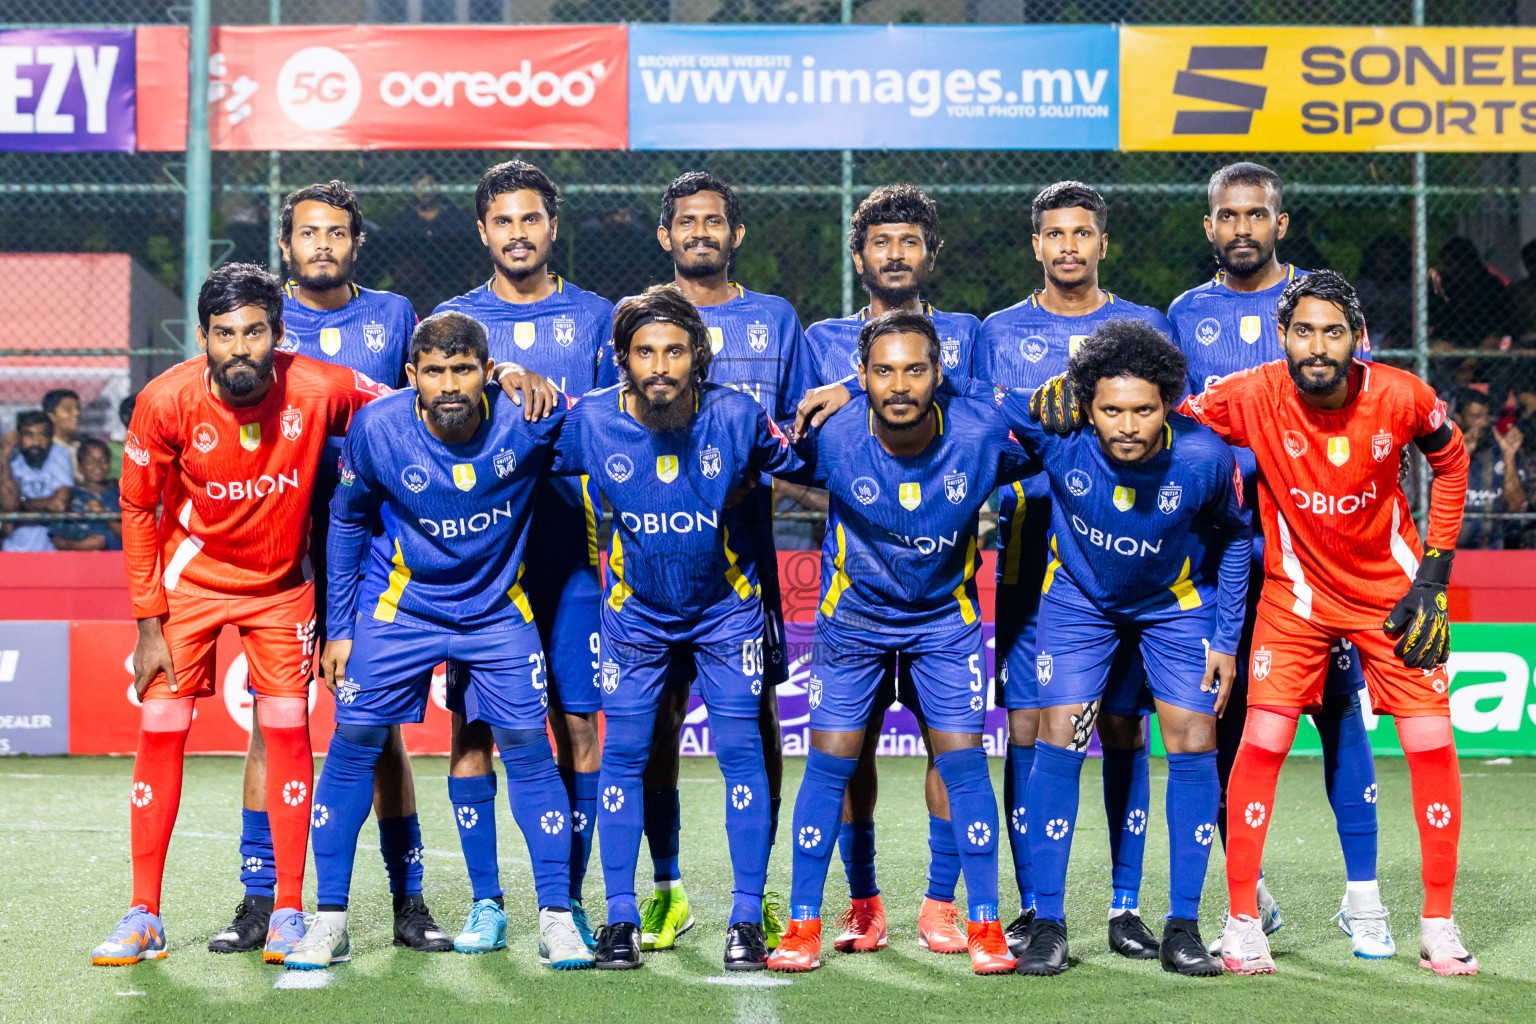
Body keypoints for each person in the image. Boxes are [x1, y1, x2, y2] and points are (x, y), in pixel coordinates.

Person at [1168, 271, 1475, 976]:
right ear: (1283, 338)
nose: (1317, 345)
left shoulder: (1403, 395)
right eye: (1303, 331)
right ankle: (1243, 920)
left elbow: (1452, 462)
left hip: (1393, 598)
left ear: (1356, 339)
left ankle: (1437, 922)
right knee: (1264, 739)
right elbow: (1173, 427)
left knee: (1430, 744)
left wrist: (1434, 578)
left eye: (1332, 331)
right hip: (1296, 598)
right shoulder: (1249, 394)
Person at [91, 264, 389, 966]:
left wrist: (497, 380)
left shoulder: (319, 385)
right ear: (203, 338)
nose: (240, 348)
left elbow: (406, 405)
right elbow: (138, 507)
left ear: (277, 334)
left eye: (254, 331)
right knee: (161, 727)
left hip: (282, 582)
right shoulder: (165, 401)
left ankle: (289, 909)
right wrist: (147, 621)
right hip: (190, 582)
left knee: (287, 727)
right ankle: (144, 914)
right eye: (224, 334)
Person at [283, 311, 592, 971]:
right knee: (352, 745)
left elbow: (599, 419)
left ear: (486, 372)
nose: (449, 385)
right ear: (411, 376)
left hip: (497, 612)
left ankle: (557, 917)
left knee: (529, 752)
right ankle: (329, 919)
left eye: (463, 370)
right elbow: (346, 524)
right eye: (435, 372)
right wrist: (339, 628)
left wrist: (523, 376)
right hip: (400, 609)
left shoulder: (529, 416)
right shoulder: (377, 427)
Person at [211, 179, 451, 958]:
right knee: (271, 730)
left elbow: (422, 402)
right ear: (286, 246)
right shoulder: (258, 324)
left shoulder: (392, 316)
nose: (322, 244)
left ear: (356, 242)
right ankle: (262, 900)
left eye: (337, 232)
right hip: (278, 547)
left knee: (375, 728)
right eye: (308, 233)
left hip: (371, 547)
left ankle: (407, 901)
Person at [1164, 162, 1386, 957]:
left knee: (1339, 718)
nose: (1242, 228)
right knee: (1224, 720)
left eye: (1257, 215)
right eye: (1228, 216)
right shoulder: (1185, 314)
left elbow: (1366, 422)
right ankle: (1243, 885)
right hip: (1229, 556)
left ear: (1280, 224)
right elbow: (1182, 433)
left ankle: (1364, 897)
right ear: (1210, 225)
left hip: (1321, 557)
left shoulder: (1326, 309)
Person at [766, 311, 1030, 976]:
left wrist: (962, 384)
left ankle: (982, 922)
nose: (900, 384)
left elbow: (1054, 422)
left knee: (964, 766)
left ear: (940, 374)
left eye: (916, 369)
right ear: (862, 377)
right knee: (830, 765)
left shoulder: (983, 433)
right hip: (853, 624)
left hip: (946, 623)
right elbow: (758, 450)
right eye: (883, 371)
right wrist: (849, 397)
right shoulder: (833, 436)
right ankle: (806, 925)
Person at [554, 286, 806, 970]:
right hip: (634, 618)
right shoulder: (589, 421)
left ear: (700, 354)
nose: (659, 365)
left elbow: (811, 465)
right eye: (644, 352)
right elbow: (506, 454)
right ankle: (620, 918)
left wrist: (848, 402)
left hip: (726, 613)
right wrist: (504, 384)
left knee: (741, 754)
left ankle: (747, 918)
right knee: (626, 757)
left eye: (674, 350)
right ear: (621, 359)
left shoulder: (738, 415)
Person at [997, 322, 1249, 977]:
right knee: (1060, 732)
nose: (1128, 425)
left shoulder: (1203, 458)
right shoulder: (1061, 437)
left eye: (1143, 409)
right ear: (1087, 406)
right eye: (1111, 410)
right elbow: (971, 394)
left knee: (1193, 741)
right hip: (1079, 600)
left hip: (1177, 605)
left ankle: (1183, 926)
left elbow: (1236, 540)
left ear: (1169, 402)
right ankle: (1048, 922)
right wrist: (1034, 398)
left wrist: (1226, 640)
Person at [975, 181, 1173, 959]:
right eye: (1054, 233)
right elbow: (988, 435)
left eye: (1081, 232)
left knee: (1124, 729)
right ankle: (1036, 906)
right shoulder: (999, 332)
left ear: (1101, 243)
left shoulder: (1143, 327)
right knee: (1030, 727)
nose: (1067, 246)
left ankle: (1126, 907)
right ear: (1036, 245)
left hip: (1131, 564)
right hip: (1035, 560)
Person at [433, 160, 617, 952]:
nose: (517, 233)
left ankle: (565, 899)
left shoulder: (598, 316)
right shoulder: (451, 319)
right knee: (474, 732)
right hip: (478, 569)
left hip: (570, 553)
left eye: (531, 219)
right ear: (483, 231)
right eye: (502, 221)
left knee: (578, 724)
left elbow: (617, 431)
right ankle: (486, 901)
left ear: (552, 226)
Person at [635, 172, 818, 953]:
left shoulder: (775, 319)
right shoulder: (643, 319)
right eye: (687, 222)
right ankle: (666, 888)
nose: (701, 232)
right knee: (653, 725)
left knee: (757, 724)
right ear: (665, 236)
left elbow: (802, 438)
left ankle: (762, 886)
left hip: (744, 561)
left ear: (735, 234)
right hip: (650, 558)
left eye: (715, 221)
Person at [801, 184, 983, 955]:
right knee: (853, 748)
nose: (896, 254)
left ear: (930, 253)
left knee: (953, 749)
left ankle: (942, 903)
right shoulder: (822, 336)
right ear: (859, 255)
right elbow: (804, 429)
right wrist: (847, 390)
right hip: (859, 577)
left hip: (946, 584)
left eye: (910, 241)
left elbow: (981, 409)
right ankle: (863, 898)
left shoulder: (967, 333)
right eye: (881, 241)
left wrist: (866, 383)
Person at [385, 169, 482, 317]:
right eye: (419, 185)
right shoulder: (404, 219)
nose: (424, 191)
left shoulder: (458, 216)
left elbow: (473, 254)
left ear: (439, 185)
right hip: (412, 286)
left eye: (429, 185)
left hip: (452, 282)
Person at [1452, 389, 1526, 549]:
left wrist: (1509, 456)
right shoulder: (1441, 451)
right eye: (1476, 416)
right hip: (1450, 548)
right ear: (1458, 418)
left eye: (1486, 416)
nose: (1483, 423)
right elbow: (1434, 503)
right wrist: (1460, 459)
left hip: (1492, 547)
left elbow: (1515, 505)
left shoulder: (1498, 452)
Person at [1, 410, 73, 551]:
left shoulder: (59, 454)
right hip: (12, 550)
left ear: (51, 437)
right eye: (29, 435)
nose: (36, 442)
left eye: (42, 435)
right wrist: (3, 458)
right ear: (18, 437)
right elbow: (10, 505)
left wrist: (21, 504)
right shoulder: (10, 459)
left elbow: (59, 504)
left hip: (51, 550)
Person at [49, 437, 121, 551]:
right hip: (80, 564)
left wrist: (105, 517)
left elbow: (132, 535)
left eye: (104, 460)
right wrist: (82, 546)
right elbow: (56, 538)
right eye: (91, 461)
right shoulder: (70, 497)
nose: (98, 465)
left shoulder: (120, 493)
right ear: (80, 467)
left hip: (117, 562)